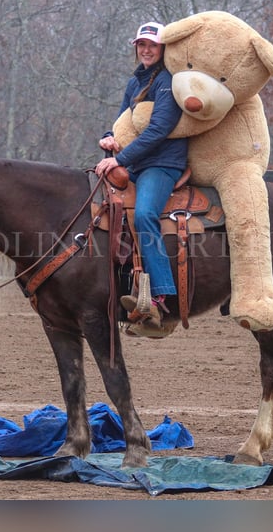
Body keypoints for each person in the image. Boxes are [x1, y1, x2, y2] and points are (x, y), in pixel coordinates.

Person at [94, 22, 188, 333]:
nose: (146, 50)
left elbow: (159, 131)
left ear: (163, 50)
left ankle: (161, 296)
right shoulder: (136, 82)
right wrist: (109, 137)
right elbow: (121, 121)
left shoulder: (168, 82)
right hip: (135, 163)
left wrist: (118, 159)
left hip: (161, 164)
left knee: (146, 215)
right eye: (141, 44)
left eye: (153, 45)